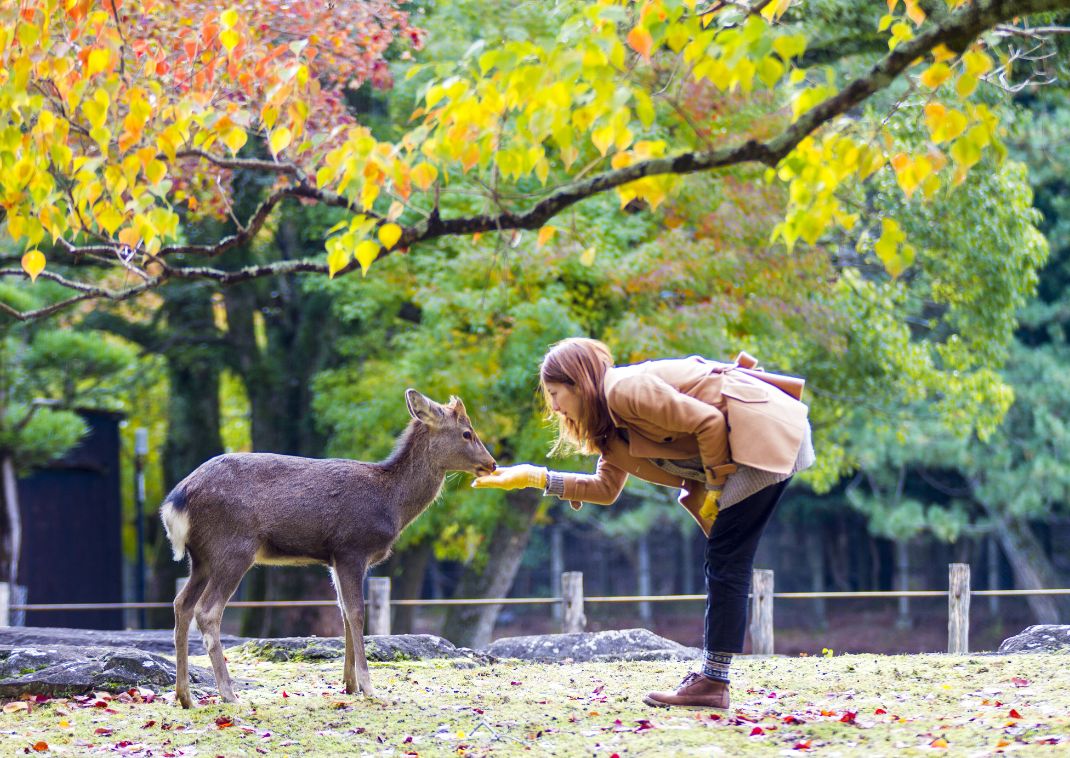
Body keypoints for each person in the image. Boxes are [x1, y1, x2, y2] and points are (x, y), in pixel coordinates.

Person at [472, 337, 814, 709]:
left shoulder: (625, 390)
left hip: (763, 433)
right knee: (726, 559)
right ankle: (712, 680)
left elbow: (710, 422)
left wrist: (715, 488)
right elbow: (604, 488)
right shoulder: (610, 426)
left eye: (556, 393)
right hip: (750, 441)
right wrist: (534, 477)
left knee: (727, 560)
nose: (553, 406)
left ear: (578, 382)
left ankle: (713, 682)